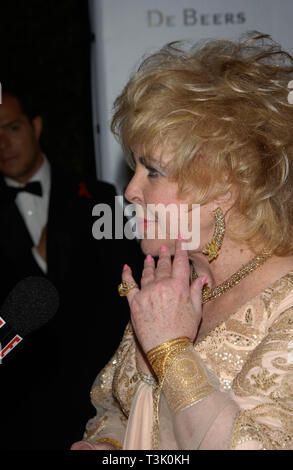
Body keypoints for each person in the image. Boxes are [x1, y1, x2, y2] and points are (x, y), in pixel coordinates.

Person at [71, 32, 293, 451]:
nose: (131, 191)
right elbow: (116, 408)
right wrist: (108, 446)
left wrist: (171, 351)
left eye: (152, 170)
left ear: (226, 184)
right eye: (133, 167)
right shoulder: (174, 279)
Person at [0, 84, 143, 449]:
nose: (2, 142)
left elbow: (130, 287)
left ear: (36, 126)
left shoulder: (96, 195)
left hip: (100, 406)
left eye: (12, 127)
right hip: (17, 414)